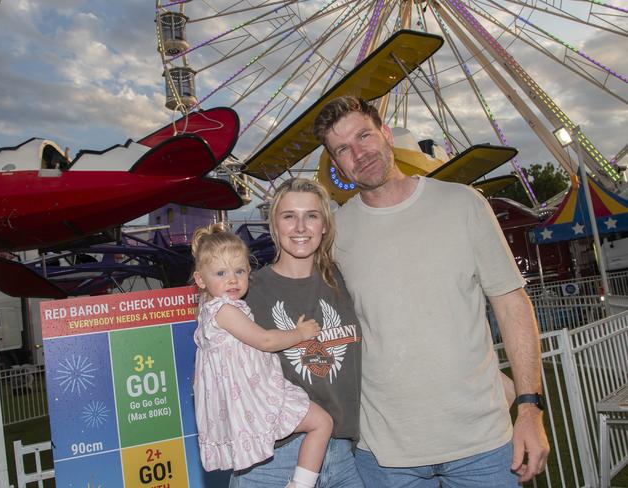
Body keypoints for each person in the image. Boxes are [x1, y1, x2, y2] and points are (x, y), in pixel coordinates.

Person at [313, 96, 550, 487]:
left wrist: (529, 408)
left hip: (482, 445)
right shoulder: (336, 234)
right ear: (336, 164)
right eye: (343, 149)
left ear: (386, 134)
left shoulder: (463, 204)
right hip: (386, 454)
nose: (359, 153)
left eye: (364, 136)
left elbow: (511, 305)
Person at [230, 178, 364, 488]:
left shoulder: (344, 280)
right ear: (274, 226)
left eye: (312, 216)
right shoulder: (247, 293)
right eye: (289, 216)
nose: (300, 226)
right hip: (274, 459)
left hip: (342, 453)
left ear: (325, 226)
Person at [192, 223, 334, 488]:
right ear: (201, 280)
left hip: (249, 396)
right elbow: (266, 341)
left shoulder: (212, 309)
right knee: (322, 423)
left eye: (240, 271)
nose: (233, 279)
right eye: (221, 273)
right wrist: (300, 333)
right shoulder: (224, 310)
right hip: (255, 399)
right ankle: (302, 484)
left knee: (319, 423)